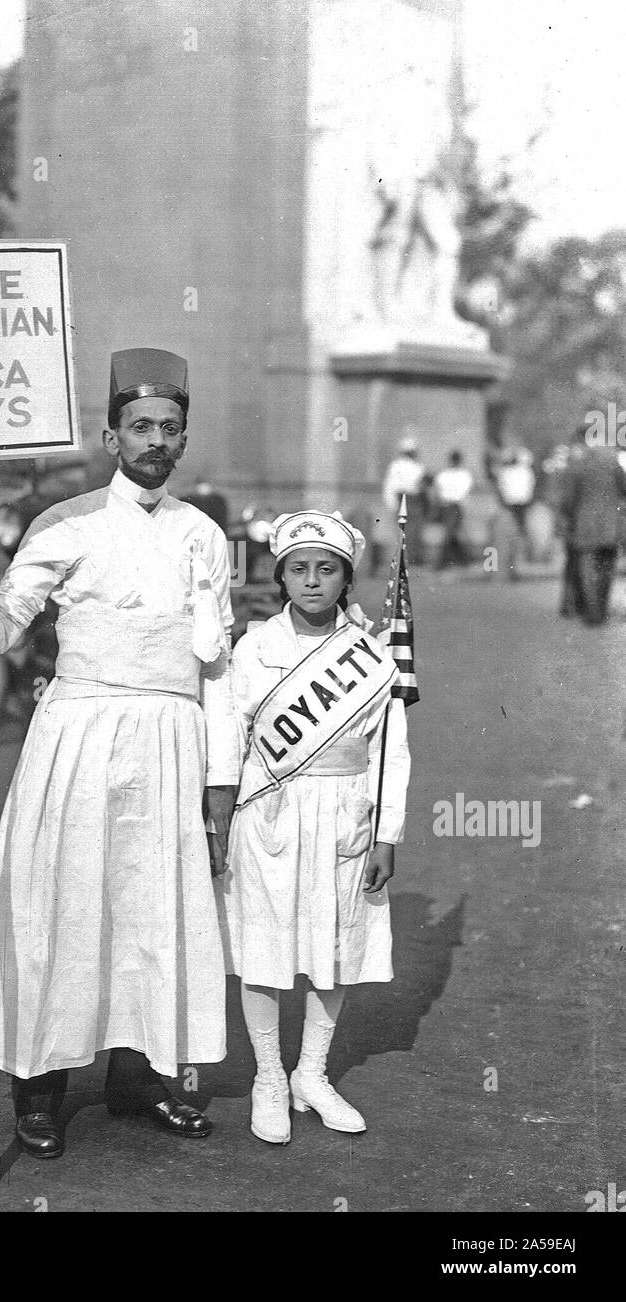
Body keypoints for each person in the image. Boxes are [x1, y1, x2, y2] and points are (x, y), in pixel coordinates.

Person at [0, 348, 240, 1158]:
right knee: (62, 903)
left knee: (154, 905)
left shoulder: (204, 536)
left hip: (171, 737)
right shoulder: (63, 524)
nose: (155, 442)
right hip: (80, 734)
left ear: (182, 439)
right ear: (111, 436)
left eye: (170, 429)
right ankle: (38, 1089)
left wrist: (220, 784)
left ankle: (138, 1080)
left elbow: (218, 670)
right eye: (140, 427)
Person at [220, 511, 411, 1144]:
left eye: (326, 569)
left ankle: (312, 1073)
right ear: (280, 576)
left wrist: (388, 834)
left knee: (336, 948)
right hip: (272, 813)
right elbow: (229, 738)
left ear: (346, 579)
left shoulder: (372, 656)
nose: (312, 581)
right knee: (268, 950)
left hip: (345, 816)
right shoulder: (256, 647)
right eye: (298, 569)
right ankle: (269, 1078)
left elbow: (391, 754)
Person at [557, 430, 626, 626]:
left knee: (587, 569)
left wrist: (569, 517)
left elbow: (569, 500)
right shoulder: (613, 463)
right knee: (606, 569)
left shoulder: (578, 465)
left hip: (585, 526)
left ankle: (593, 612)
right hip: (611, 526)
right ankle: (601, 611)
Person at [491, 444, 536, 580]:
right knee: (518, 538)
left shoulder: (506, 472)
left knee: (509, 538)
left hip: (510, 506)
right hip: (521, 506)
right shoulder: (526, 472)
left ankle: (510, 568)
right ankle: (514, 568)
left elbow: (500, 489)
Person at [382, 437, 427, 565]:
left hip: (414, 499)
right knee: (403, 530)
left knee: (413, 530)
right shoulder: (396, 465)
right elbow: (391, 486)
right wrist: (392, 503)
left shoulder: (418, 466)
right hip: (403, 499)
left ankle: (412, 557)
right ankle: (404, 557)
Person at [432, 450, 473, 569]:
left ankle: (444, 561)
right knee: (452, 532)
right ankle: (462, 559)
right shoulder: (451, 474)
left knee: (451, 532)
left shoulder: (457, 474)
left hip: (455, 506)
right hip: (448, 506)